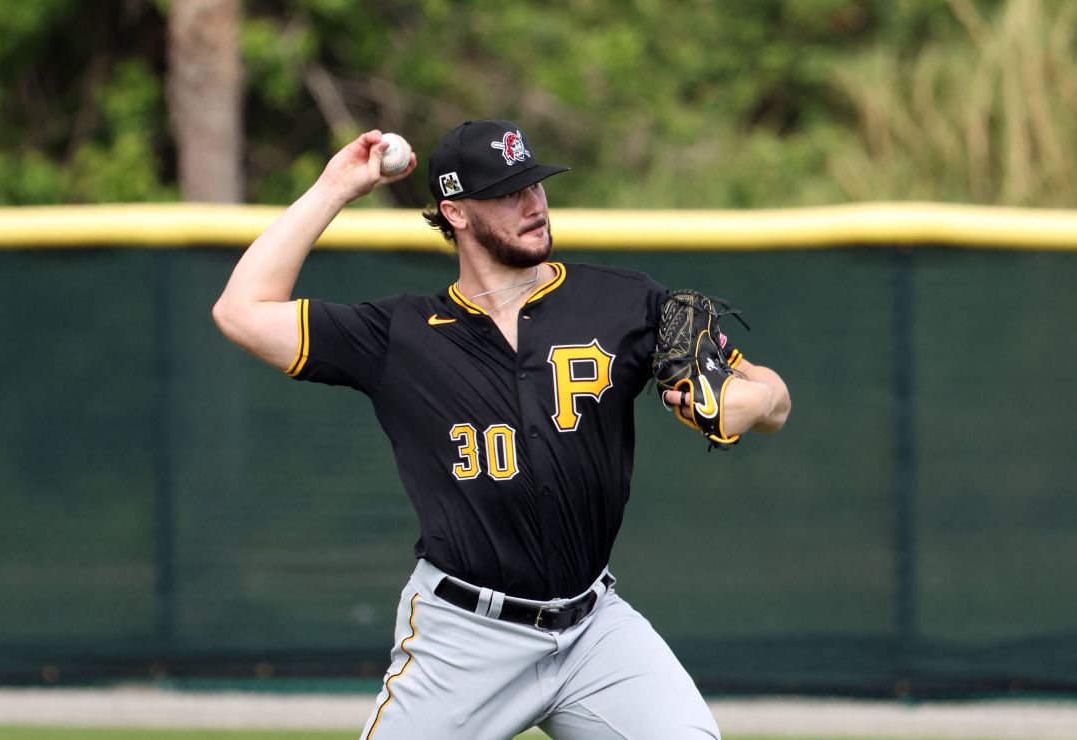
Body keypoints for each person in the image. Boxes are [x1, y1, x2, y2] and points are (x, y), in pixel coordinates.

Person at [213, 119, 790, 740]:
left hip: (593, 632)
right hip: (465, 639)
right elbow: (241, 312)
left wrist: (748, 404)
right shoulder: (398, 336)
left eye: (536, 185)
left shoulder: (623, 303)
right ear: (455, 212)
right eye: (509, 192)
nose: (534, 204)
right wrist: (333, 188)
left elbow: (774, 398)